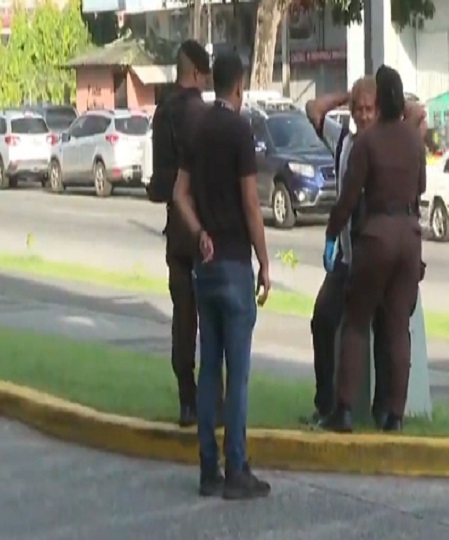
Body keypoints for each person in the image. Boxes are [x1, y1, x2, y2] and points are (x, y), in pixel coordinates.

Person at [172, 51, 272, 500]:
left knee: (209, 367)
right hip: (233, 262)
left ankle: (207, 469)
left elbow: (180, 194)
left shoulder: (198, 129)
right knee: (240, 373)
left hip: (204, 265)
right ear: (240, 85)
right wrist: (265, 262)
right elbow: (252, 203)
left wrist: (198, 234)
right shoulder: (239, 129)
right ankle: (238, 467)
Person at [320, 66, 426, 433]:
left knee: (356, 321)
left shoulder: (368, 142)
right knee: (398, 326)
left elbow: (349, 197)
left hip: (377, 235)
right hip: (410, 236)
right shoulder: (414, 141)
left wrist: (333, 234)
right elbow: (421, 187)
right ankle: (394, 414)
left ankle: (345, 409)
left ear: (379, 101)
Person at [304, 78, 391, 427]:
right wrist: (346, 95)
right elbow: (314, 109)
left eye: (370, 109)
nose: (364, 116)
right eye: (359, 110)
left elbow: (417, 113)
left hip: (377, 255)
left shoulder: (387, 141)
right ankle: (326, 402)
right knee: (323, 320)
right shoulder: (344, 141)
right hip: (345, 257)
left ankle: (384, 409)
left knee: (384, 330)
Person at [148, 40, 211, 427]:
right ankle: (212, 400)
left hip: (176, 229)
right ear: (198, 73)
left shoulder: (162, 113)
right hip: (204, 227)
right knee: (214, 317)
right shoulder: (202, 115)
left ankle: (187, 401)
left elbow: (159, 183)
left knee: (183, 317)